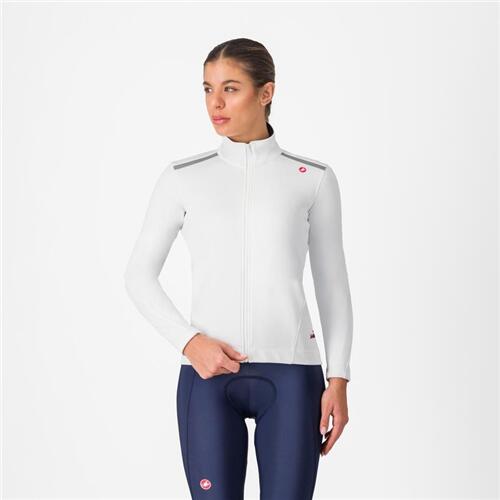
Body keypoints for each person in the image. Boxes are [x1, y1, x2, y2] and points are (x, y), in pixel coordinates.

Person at [124, 37, 353, 500]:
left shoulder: (312, 178)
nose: (215, 103)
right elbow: (138, 276)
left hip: (293, 375)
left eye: (230, 88)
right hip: (208, 376)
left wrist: (339, 377)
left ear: (266, 93)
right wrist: (190, 342)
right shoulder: (183, 177)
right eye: (208, 89)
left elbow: (332, 285)